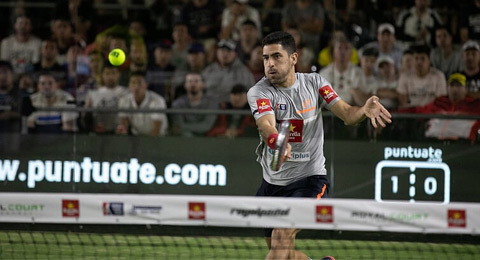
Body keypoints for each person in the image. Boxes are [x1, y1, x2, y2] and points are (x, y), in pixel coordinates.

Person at [247, 31, 391, 260]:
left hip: (309, 181)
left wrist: (363, 110)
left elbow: (347, 114)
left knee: (281, 238)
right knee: (283, 253)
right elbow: (266, 124)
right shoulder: (259, 91)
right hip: (272, 186)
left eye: (276, 56)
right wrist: (277, 141)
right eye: (266, 58)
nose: (270, 64)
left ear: (294, 58)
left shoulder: (315, 84)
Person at [401, 73, 480, 142]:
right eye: (452, 85)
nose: (455, 89)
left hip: (462, 144)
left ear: (466, 89)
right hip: (434, 141)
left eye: (459, 86)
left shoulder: (474, 104)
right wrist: (393, 112)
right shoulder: (439, 102)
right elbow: (418, 110)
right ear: (447, 88)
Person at [202, 39, 255, 104]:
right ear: (217, 53)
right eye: (222, 50)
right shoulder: (209, 70)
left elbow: (252, 94)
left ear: (235, 54)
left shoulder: (243, 72)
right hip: (209, 107)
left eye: (229, 51)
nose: (225, 54)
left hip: (232, 109)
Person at [117, 71, 168, 136]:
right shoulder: (124, 100)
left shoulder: (158, 100)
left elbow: (156, 130)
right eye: (133, 83)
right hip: (136, 138)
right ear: (129, 85)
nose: (136, 87)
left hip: (158, 139)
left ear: (146, 85)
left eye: (140, 83)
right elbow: (124, 126)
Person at [319, 38, 367, 106]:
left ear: (351, 53)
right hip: (330, 112)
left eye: (346, 48)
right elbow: (322, 99)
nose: (343, 52)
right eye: (339, 48)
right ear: (333, 52)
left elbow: (361, 101)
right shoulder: (324, 73)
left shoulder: (358, 72)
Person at [397, 44, 446, 108]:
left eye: (423, 59)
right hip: (411, 113)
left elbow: (441, 102)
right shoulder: (405, 76)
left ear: (429, 61)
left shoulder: (439, 76)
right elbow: (403, 102)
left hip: (432, 112)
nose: (419, 62)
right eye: (416, 58)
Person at [170, 72, 218, 137]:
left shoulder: (212, 103)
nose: (193, 84)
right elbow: (178, 126)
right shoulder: (177, 104)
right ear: (185, 85)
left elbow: (206, 126)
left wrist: (185, 127)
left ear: (203, 84)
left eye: (196, 81)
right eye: (189, 81)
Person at [85, 64, 128, 134]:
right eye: (107, 73)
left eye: (113, 73)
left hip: (119, 133)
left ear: (119, 75)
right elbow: (87, 117)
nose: (110, 77)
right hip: (99, 133)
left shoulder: (126, 93)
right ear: (102, 75)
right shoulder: (92, 94)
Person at [0, 61, 21, 133]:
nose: (2, 76)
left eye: (5, 72)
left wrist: (10, 114)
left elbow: (25, 113)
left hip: (13, 134)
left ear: (12, 74)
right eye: (0, 73)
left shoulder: (21, 94)